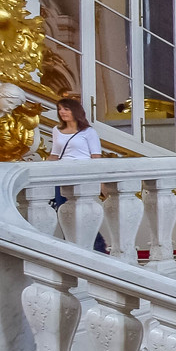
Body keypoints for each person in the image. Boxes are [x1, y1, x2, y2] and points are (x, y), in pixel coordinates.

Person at [50, 98, 106, 252]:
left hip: (82, 176)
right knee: (65, 214)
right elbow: (55, 154)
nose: (62, 112)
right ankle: (73, 246)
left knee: (83, 215)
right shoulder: (56, 130)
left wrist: (101, 182)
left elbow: (96, 157)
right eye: (60, 109)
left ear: (75, 111)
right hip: (62, 176)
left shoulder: (89, 132)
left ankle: (98, 246)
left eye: (66, 109)